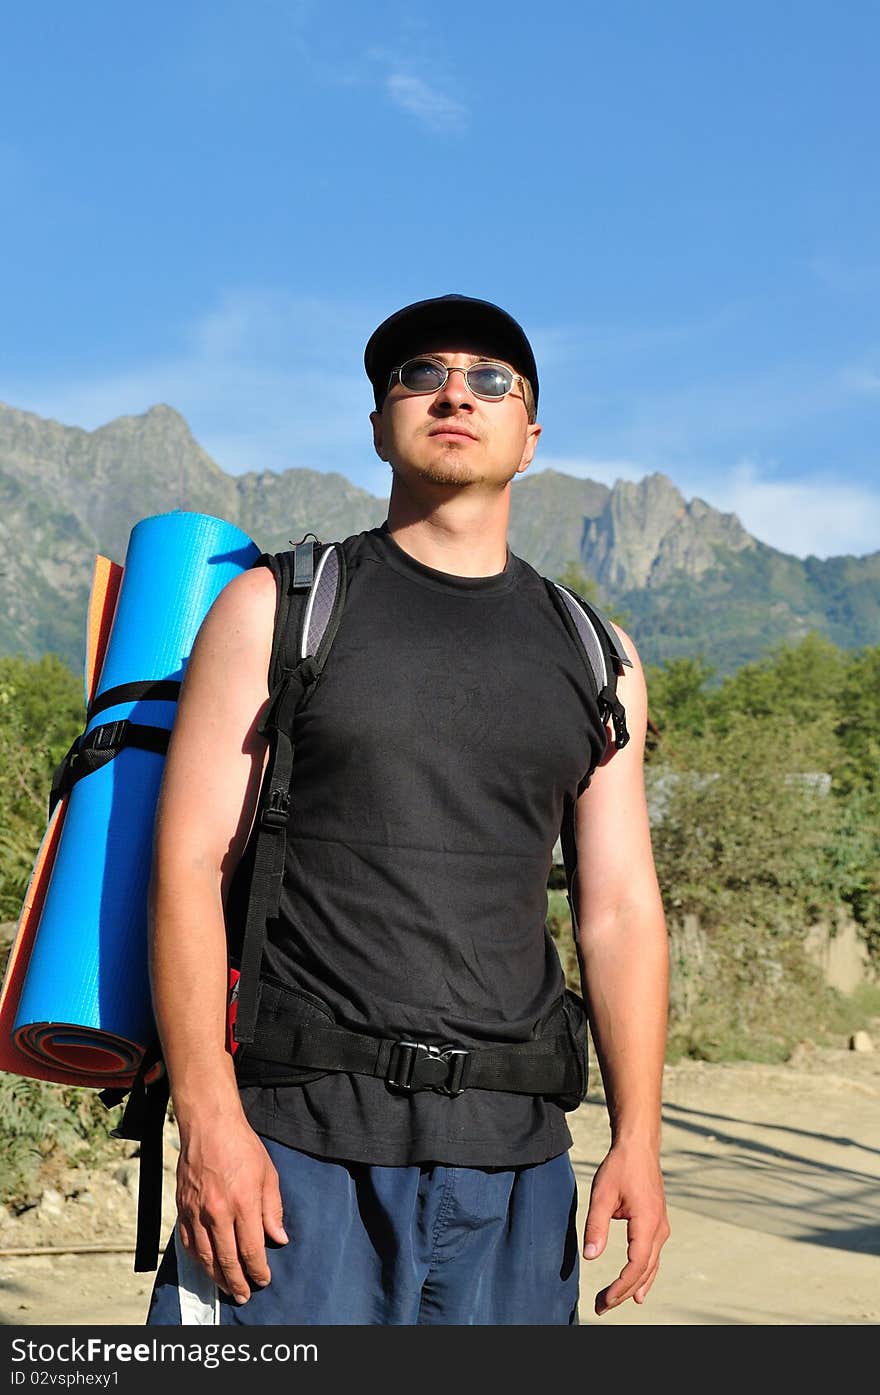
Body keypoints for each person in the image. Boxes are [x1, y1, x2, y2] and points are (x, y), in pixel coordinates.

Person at [145, 293, 670, 1326]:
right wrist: (207, 1121)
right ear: (380, 424)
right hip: (296, 1152)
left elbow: (619, 909)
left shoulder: (596, 653)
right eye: (420, 375)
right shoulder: (278, 608)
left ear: (529, 436)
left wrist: (640, 1140)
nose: (452, 394)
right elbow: (188, 867)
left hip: (516, 1165)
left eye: (490, 379)